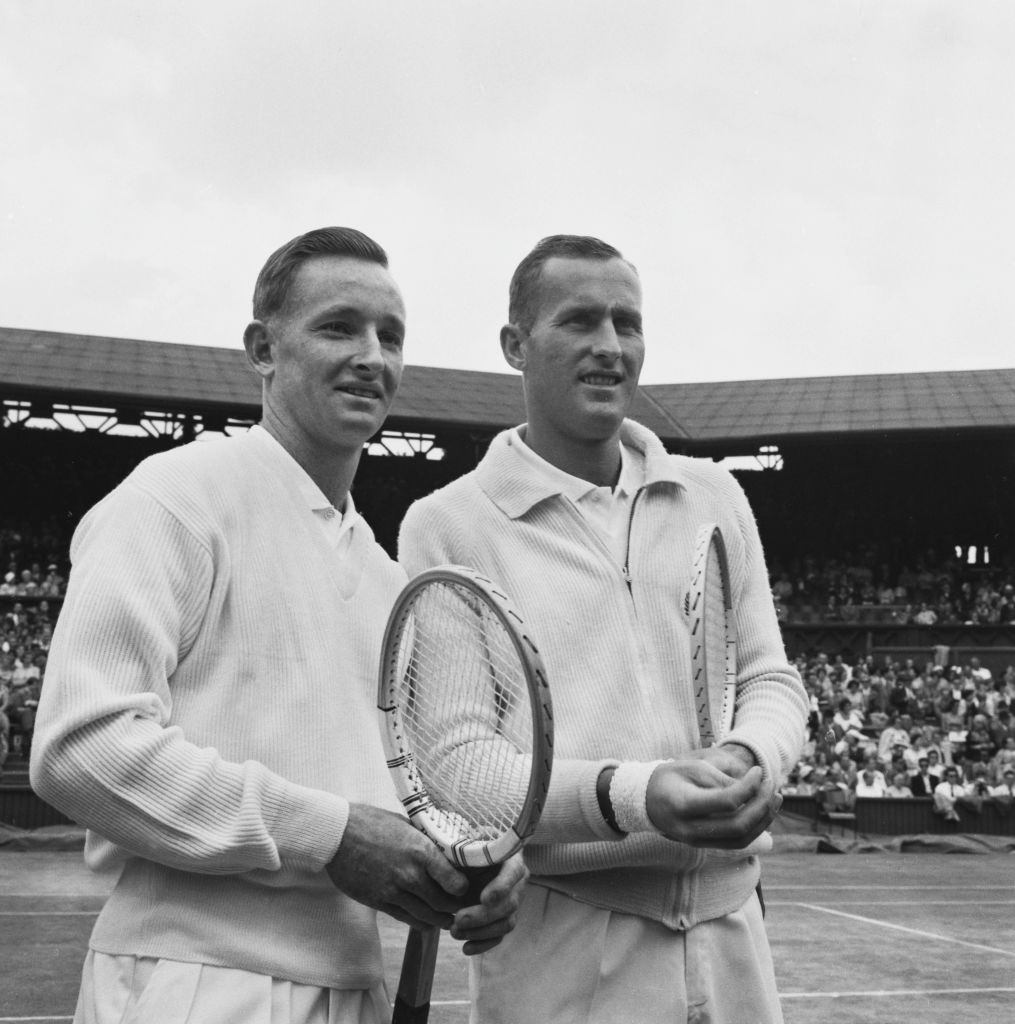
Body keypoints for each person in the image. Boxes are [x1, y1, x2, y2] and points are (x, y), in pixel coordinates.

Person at [30, 227, 525, 1024]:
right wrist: (329, 836)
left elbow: (388, 807)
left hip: (353, 984)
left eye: (390, 336)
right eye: (339, 327)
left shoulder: (385, 574)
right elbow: (79, 750)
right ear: (264, 347)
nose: (372, 355)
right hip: (193, 984)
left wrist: (466, 867)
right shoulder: (174, 495)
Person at [399, 234, 808, 1023]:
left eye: (628, 323)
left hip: (734, 934)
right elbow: (455, 762)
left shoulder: (713, 494)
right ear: (515, 345)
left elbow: (767, 676)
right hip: (564, 948)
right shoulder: (447, 523)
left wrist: (749, 756)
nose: (610, 347)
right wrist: (638, 794)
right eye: (580, 321)